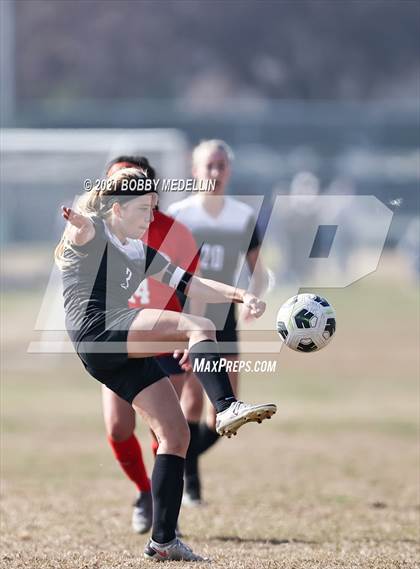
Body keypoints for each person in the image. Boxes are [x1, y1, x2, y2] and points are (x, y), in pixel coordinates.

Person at [55, 167, 276, 562]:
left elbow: (191, 284)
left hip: (111, 353)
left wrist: (243, 295)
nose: (150, 217)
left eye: (154, 208)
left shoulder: (140, 250)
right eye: (143, 209)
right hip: (99, 333)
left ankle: (163, 541)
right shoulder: (97, 231)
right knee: (199, 324)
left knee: (175, 435)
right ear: (117, 210)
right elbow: (85, 229)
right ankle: (226, 408)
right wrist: (79, 223)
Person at [100, 155, 200, 535]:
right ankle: (144, 491)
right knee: (118, 426)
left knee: (166, 432)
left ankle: (161, 510)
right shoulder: (101, 231)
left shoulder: (176, 233)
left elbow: (196, 289)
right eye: (115, 182)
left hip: (164, 340)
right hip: (118, 341)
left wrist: (195, 337)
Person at [167, 139, 268, 506]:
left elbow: (259, 272)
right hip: (190, 316)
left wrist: (251, 300)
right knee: (191, 403)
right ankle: (189, 483)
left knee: (227, 413)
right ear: (194, 171)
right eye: (208, 166)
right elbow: (165, 273)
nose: (214, 172)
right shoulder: (179, 214)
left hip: (225, 315)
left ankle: (177, 461)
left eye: (221, 166)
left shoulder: (243, 216)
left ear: (230, 170)